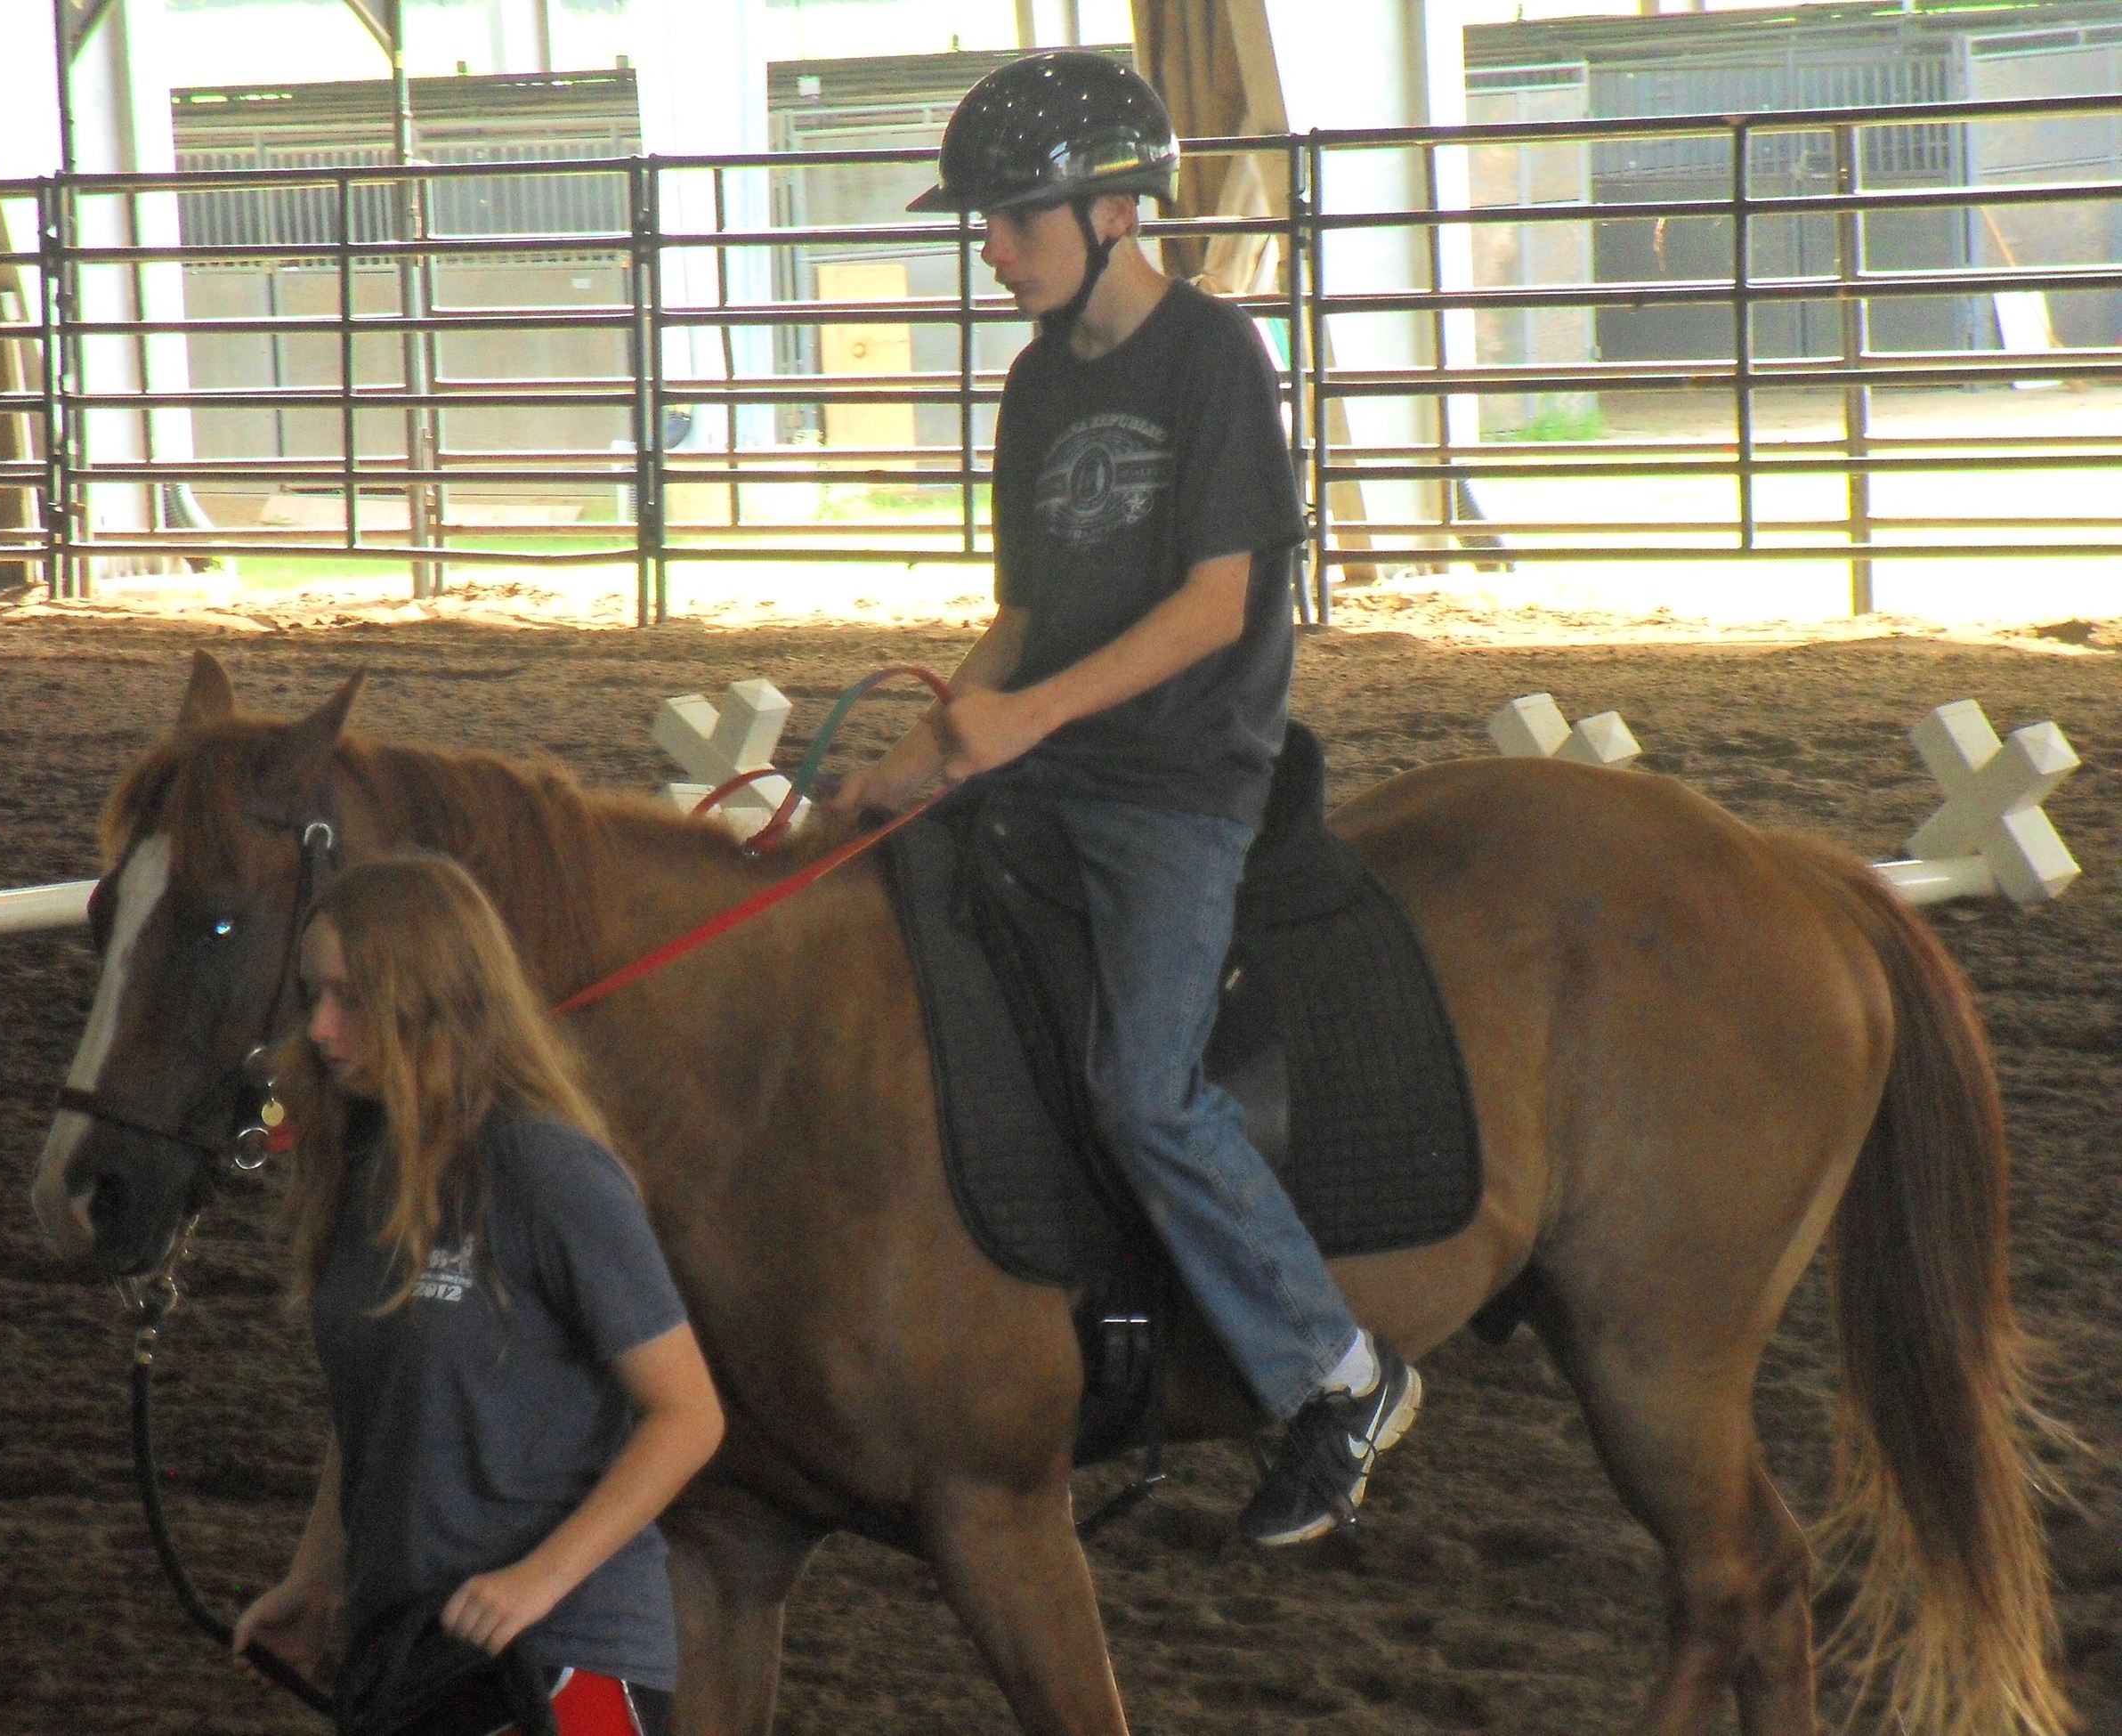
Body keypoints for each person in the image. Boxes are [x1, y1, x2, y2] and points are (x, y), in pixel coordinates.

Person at [833, 49, 1417, 1548]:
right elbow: (1024, 618)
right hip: (1049, 763)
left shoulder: (1216, 360)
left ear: (1110, 210)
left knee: (1143, 1088)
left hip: (1180, 784)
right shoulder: (1035, 385)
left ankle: (1339, 1373)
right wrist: (938, 745)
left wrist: (1019, 722)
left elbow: (1216, 607)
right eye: (986, 221)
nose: (992, 246)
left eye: (1013, 217)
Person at [231, 853, 723, 1735]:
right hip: (413, 1651)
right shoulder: (365, 1171)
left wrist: (539, 1579)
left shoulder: (547, 1170)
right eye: (312, 997)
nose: (320, 1029)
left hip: (563, 1659)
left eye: (349, 1000)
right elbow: (377, 1409)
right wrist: (316, 1580)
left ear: (431, 997)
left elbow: (687, 1416)